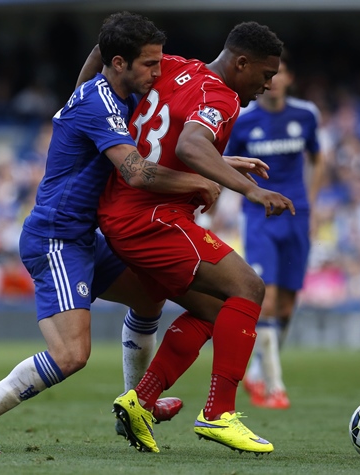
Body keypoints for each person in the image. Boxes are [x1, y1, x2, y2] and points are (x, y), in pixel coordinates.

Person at [0, 12, 224, 454]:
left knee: (150, 295)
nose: (158, 71)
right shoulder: (101, 104)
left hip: (83, 237)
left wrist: (222, 166)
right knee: (72, 355)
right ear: (118, 62)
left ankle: (137, 404)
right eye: (149, 63)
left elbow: (97, 58)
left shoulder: (110, 88)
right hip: (55, 239)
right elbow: (136, 173)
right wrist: (199, 181)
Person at [89, 21, 293, 455]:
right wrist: (253, 191)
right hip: (152, 216)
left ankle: (140, 402)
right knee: (249, 287)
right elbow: (190, 147)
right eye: (265, 73)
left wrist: (81, 91)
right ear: (241, 63)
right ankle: (219, 414)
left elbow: (103, 53)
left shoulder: (175, 67)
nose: (269, 83)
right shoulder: (222, 96)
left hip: (124, 212)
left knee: (219, 309)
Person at [222, 52, 323, 409]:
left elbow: (317, 157)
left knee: (287, 304)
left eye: (279, 73)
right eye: (269, 75)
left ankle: (256, 373)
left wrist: (310, 199)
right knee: (267, 296)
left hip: (297, 215)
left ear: (289, 78)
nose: (274, 80)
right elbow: (225, 163)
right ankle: (275, 385)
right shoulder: (245, 122)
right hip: (260, 215)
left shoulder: (306, 115)